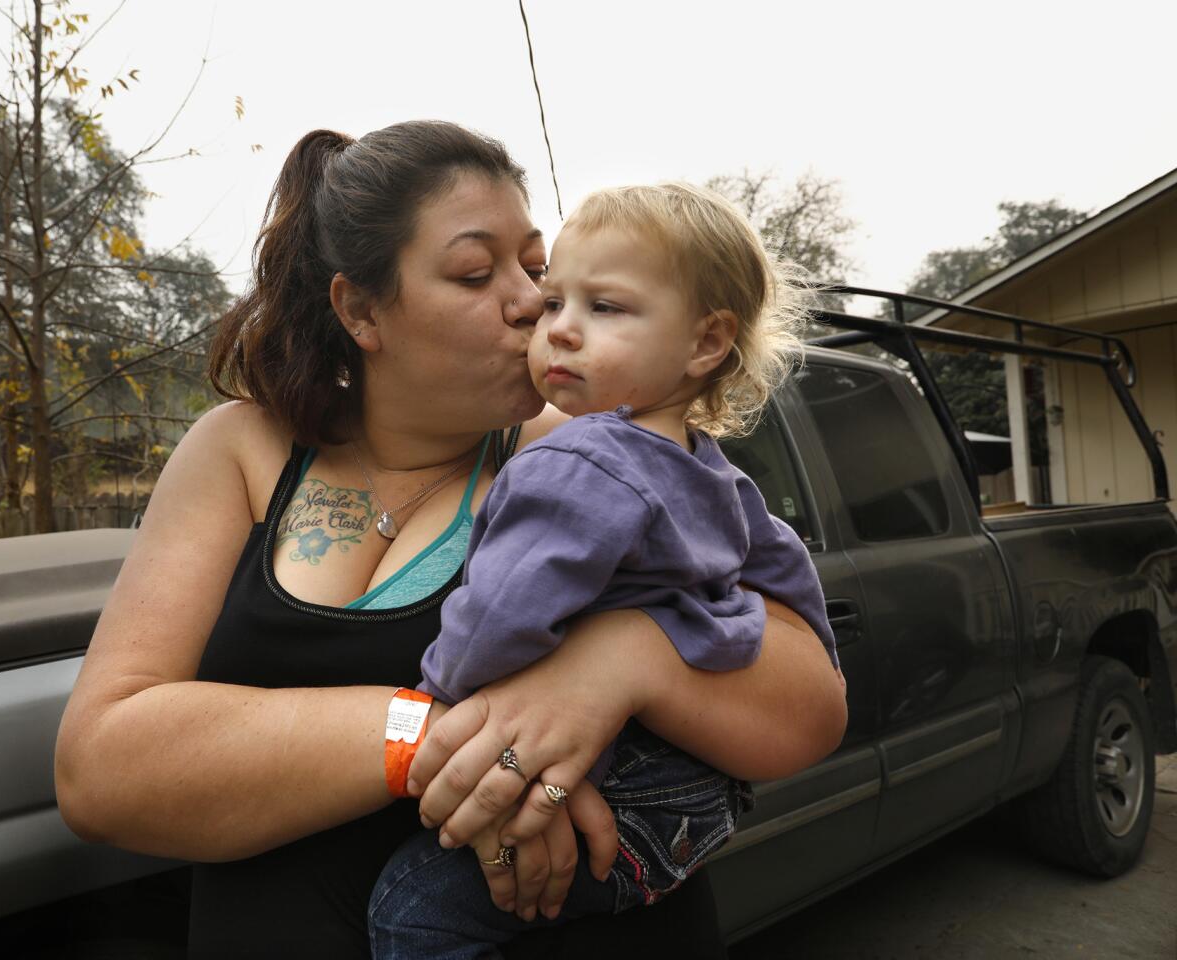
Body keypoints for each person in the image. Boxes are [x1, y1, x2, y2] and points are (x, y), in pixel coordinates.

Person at [52, 120, 848, 959]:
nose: (532, 302)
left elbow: (810, 705)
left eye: (536, 269)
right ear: (360, 310)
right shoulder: (239, 451)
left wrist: (626, 661)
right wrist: (440, 742)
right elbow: (101, 771)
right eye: (476, 273)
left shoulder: (601, 453)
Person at [365, 182, 840, 959]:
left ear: (704, 343)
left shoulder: (578, 459)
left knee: (413, 911)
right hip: (696, 800)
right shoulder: (719, 476)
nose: (561, 332)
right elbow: (795, 596)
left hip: (616, 786)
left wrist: (434, 704)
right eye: (554, 305)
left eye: (606, 309)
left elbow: (500, 613)